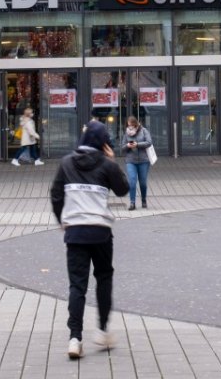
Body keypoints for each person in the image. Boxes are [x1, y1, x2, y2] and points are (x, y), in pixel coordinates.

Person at [49, 121, 130, 360]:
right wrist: (113, 162)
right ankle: (103, 330)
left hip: (75, 232)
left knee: (77, 285)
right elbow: (123, 189)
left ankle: (75, 338)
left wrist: (62, 219)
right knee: (104, 278)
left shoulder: (66, 163)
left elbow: (55, 194)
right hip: (101, 232)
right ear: (103, 143)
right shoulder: (106, 165)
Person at [121, 116, 153, 210]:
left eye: (131, 125)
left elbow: (149, 142)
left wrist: (137, 145)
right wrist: (127, 145)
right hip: (131, 161)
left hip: (143, 160)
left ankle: (143, 200)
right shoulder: (126, 133)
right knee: (132, 181)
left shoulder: (144, 131)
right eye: (128, 125)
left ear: (135, 124)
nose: (129, 127)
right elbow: (122, 148)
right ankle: (132, 203)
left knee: (143, 183)